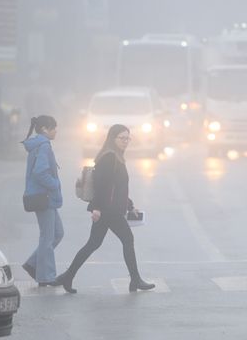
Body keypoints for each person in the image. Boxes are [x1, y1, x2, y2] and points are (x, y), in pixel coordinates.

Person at [56, 124, 154, 294]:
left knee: (93, 243)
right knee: (127, 240)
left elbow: (117, 187)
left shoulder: (116, 156)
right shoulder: (109, 158)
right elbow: (102, 186)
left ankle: (68, 276)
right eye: (122, 138)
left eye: (127, 138)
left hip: (110, 209)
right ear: (112, 138)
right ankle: (135, 280)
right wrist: (97, 208)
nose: (125, 141)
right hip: (109, 210)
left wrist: (130, 205)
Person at [21, 115, 64, 286]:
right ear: (45, 129)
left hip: (46, 198)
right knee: (48, 237)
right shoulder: (44, 146)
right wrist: (55, 184)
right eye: (54, 128)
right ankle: (46, 277)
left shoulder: (39, 144)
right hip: (44, 197)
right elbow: (40, 172)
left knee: (57, 234)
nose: (56, 131)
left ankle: (33, 264)